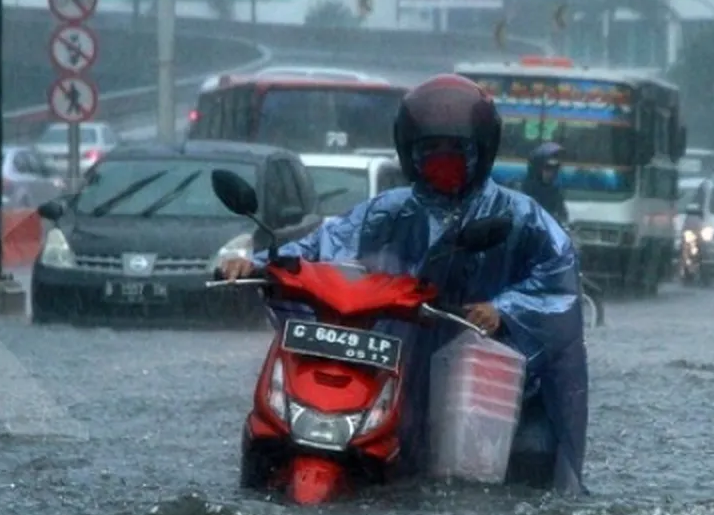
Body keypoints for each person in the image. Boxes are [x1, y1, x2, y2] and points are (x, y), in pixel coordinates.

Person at [219, 75, 589, 493]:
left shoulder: (521, 216)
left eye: (456, 150)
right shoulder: (387, 212)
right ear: (411, 153)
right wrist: (256, 265)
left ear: (480, 153)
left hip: (488, 377)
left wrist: (504, 309)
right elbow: (321, 247)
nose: (442, 161)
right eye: (430, 150)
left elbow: (558, 281)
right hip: (398, 361)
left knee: (507, 479)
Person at [521, 142, 569, 225]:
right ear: (537, 168)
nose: (552, 173)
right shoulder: (521, 190)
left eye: (556, 169)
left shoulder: (555, 192)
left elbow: (563, 218)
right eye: (548, 168)